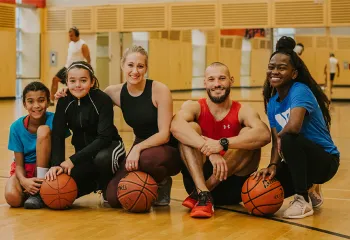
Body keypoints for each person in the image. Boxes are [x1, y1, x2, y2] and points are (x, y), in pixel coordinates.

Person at [54, 46, 181, 207]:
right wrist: (68, 91)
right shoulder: (112, 92)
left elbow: (164, 134)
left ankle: (162, 181)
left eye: (140, 66)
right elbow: (90, 97)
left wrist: (136, 149)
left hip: (165, 147)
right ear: (122, 65)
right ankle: (111, 183)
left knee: (148, 159)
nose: (135, 71)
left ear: (146, 68)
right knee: (114, 197)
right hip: (141, 145)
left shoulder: (159, 90)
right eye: (130, 65)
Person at [170, 62, 271, 218]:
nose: (217, 84)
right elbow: (175, 125)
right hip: (198, 177)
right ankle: (203, 192)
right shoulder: (194, 106)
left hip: (232, 187)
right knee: (190, 128)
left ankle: (203, 194)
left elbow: (264, 134)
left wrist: (222, 143)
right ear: (205, 83)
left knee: (248, 133)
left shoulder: (243, 111)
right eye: (211, 79)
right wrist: (210, 150)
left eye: (222, 78)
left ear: (231, 80)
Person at [254, 36, 340, 219]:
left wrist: (279, 141)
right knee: (262, 188)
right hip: (299, 159)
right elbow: (275, 139)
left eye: (282, 67)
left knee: (287, 138)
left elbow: (292, 128)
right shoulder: (273, 103)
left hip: (325, 162)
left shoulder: (299, 90)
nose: (274, 71)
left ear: (294, 73)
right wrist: (272, 165)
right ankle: (310, 189)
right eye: (271, 67)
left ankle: (302, 199)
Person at [46, 61, 125, 201]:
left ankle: (114, 177)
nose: (77, 85)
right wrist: (56, 165)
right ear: (66, 82)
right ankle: (96, 183)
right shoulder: (63, 101)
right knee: (62, 190)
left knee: (103, 163)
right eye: (72, 81)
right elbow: (57, 134)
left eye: (83, 80)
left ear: (92, 81)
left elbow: (104, 138)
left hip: (109, 148)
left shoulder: (103, 100)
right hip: (84, 154)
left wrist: (72, 160)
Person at [5, 82, 52, 209]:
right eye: (31, 101)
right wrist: (24, 181)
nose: (36, 106)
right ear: (25, 104)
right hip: (24, 170)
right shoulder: (16, 127)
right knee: (12, 198)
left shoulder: (55, 120)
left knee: (43, 130)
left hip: (47, 169)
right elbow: (19, 164)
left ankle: (40, 190)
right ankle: (30, 191)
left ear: (48, 102)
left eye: (41, 100)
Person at [50, 27, 91, 106]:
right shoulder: (71, 43)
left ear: (76, 35)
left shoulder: (83, 45)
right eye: (69, 36)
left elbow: (88, 58)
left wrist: (87, 70)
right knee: (55, 79)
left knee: (71, 85)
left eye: (71, 36)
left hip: (76, 69)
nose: (70, 37)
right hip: (67, 67)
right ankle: (52, 100)